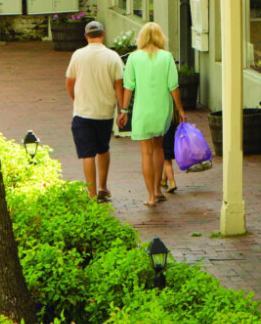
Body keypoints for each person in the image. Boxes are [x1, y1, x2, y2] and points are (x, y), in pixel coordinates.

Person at [117, 22, 186, 207]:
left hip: (142, 110)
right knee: (158, 149)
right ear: (160, 37)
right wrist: (180, 110)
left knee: (145, 153)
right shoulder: (167, 57)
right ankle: (157, 190)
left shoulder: (133, 58)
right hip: (162, 110)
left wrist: (124, 110)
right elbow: (173, 86)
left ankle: (150, 197)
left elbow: (128, 86)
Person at [64, 21, 124, 202]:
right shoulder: (112, 57)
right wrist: (122, 110)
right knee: (103, 148)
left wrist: (74, 99)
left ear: (86, 36)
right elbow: (119, 85)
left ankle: (91, 195)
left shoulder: (78, 55)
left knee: (87, 153)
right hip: (105, 112)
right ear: (103, 34)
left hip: (83, 112)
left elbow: (69, 81)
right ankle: (102, 187)